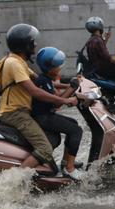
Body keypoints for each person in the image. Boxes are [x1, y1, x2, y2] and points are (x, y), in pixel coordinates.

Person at [0, 24, 77, 169]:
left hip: (20, 111)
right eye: (32, 41)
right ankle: (16, 181)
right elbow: (35, 91)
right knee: (45, 150)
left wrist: (69, 86)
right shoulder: (14, 63)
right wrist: (64, 100)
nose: (35, 44)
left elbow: (41, 81)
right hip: (16, 113)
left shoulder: (18, 62)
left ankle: (64, 165)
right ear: (24, 43)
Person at [31, 47, 84, 181]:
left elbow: (56, 90)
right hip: (43, 118)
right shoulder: (43, 81)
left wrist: (69, 85)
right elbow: (57, 103)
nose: (59, 68)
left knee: (74, 123)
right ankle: (69, 168)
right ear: (49, 67)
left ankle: (66, 161)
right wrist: (72, 87)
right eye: (57, 66)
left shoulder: (45, 78)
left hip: (46, 115)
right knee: (76, 131)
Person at [84, 16, 115, 106]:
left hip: (97, 69)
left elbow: (100, 53)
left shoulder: (91, 40)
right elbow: (107, 57)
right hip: (103, 69)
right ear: (99, 27)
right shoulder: (98, 40)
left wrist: (106, 39)